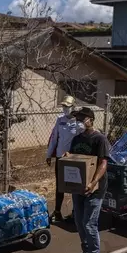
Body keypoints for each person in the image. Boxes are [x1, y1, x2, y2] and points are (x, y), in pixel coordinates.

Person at [65, 107, 110, 253]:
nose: (78, 121)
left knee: (89, 223)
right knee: (79, 221)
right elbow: (76, 160)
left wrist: (93, 183)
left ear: (90, 119)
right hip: (79, 187)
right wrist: (68, 156)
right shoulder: (76, 139)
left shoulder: (100, 139)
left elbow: (103, 163)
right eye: (77, 119)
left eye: (81, 118)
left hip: (95, 188)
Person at [46, 95, 82, 223]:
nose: (65, 109)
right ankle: (57, 212)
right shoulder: (59, 120)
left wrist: (79, 118)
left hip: (73, 159)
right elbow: (54, 138)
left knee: (75, 186)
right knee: (60, 186)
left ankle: (75, 212)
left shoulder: (79, 123)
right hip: (60, 157)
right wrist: (49, 154)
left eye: (67, 106)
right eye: (63, 106)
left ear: (73, 107)